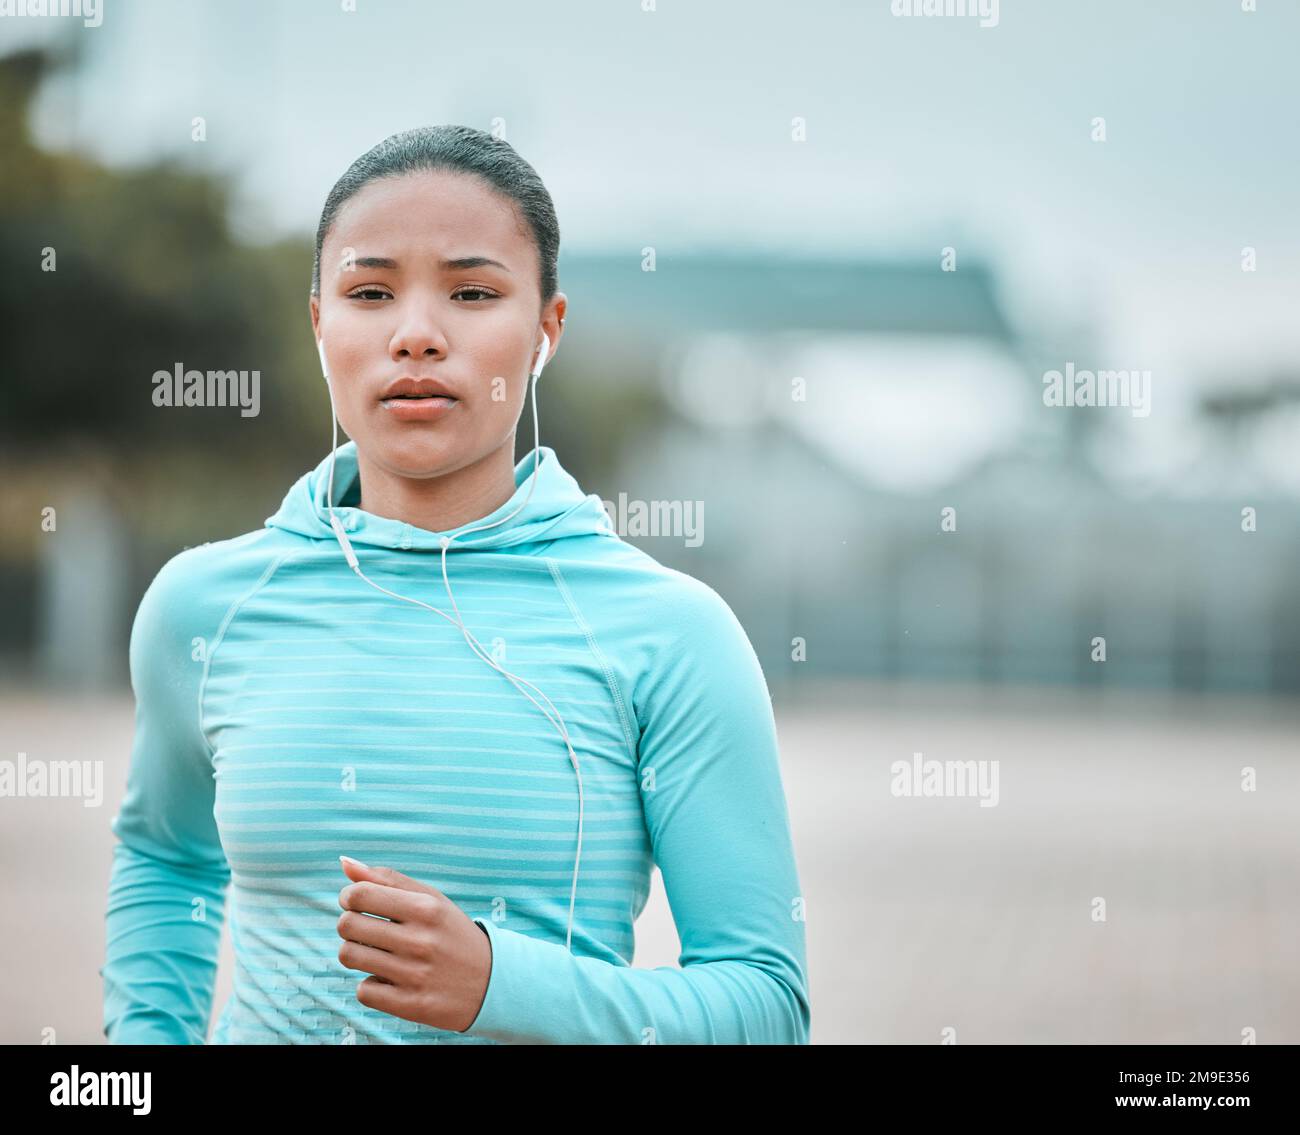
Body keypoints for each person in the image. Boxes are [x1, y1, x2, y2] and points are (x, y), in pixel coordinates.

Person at [100, 125, 810, 1045]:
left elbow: (767, 1004)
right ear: (320, 325)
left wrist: (499, 984)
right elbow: (168, 858)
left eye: (473, 292)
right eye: (369, 292)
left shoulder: (671, 634)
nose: (417, 335)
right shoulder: (203, 607)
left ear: (547, 328)